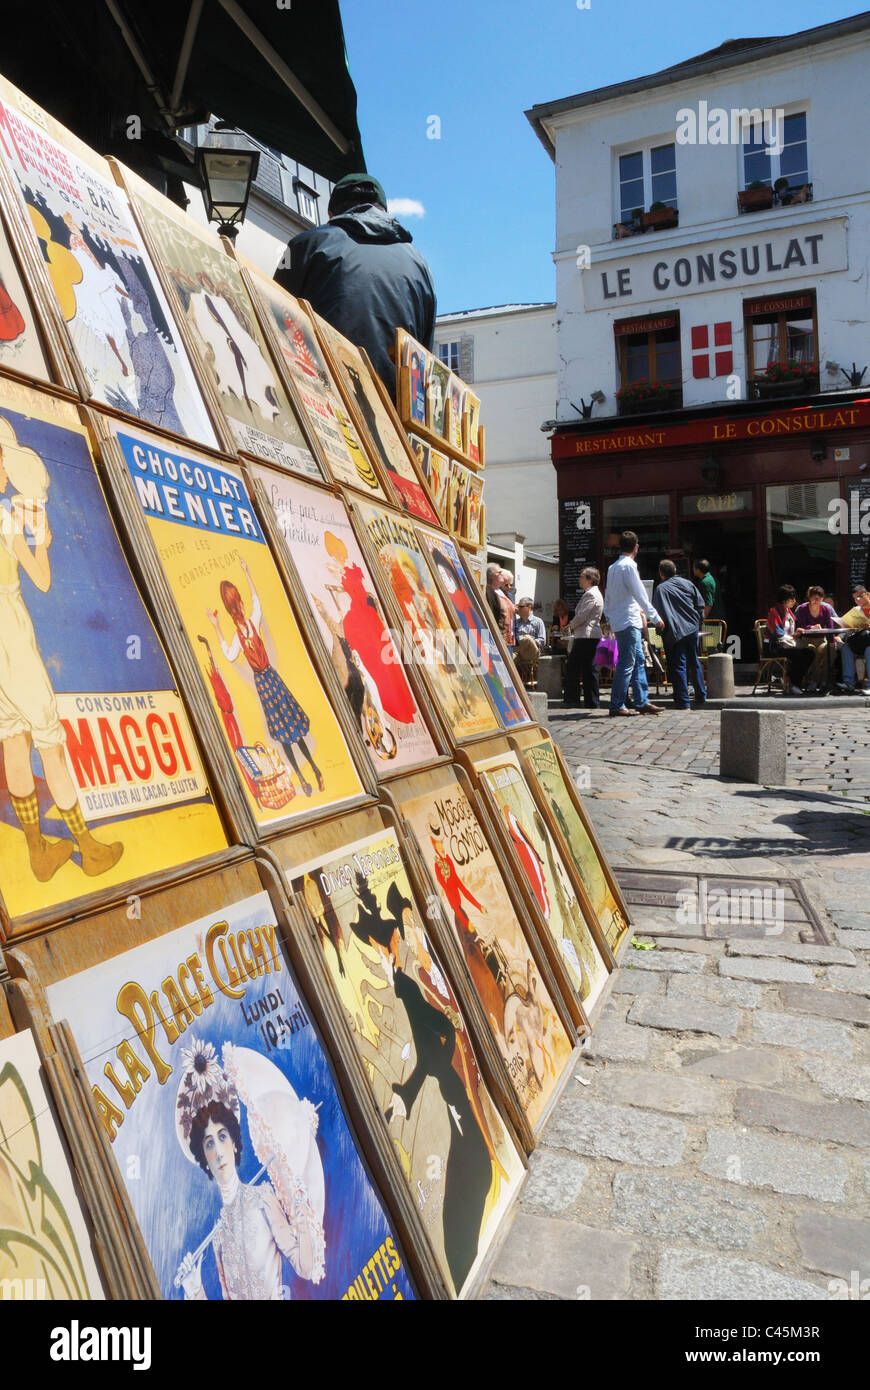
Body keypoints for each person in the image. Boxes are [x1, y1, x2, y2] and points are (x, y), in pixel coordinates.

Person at [0, 418, 123, 881]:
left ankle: (38, 853)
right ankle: (87, 846)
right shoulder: (6, 517)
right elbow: (44, 581)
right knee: (49, 742)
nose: (7, 474)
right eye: (2, 464)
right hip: (10, 631)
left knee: (13, 739)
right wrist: (44, 545)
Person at [274, 174, 436, 400]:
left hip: (326, 397)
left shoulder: (304, 244)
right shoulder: (420, 266)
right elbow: (424, 354)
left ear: (331, 214)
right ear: (384, 212)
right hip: (396, 414)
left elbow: (273, 316)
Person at [208, 558, 324, 795]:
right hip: (269, 678)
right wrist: (247, 572)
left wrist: (217, 627)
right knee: (291, 727)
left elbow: (230, 655)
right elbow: (257, 602)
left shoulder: (240, 635)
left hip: (265, 682)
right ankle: (312, 771)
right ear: (238, 603)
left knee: (284, 732)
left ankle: (305, 776)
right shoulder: (250, 624)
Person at [605, 532, 665, 717]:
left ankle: (641, 700)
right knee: (627, 662)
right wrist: (655, 617)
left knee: (637, 659)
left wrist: (609, 618)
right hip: (629, 620)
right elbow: (641, 595)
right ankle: (617, 704)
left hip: (619, 620)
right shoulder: (629, 566)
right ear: (636, 547)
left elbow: (609, 596)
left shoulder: (612, 567)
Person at [654, 560, 707, 710]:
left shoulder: (661, 589)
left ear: (661, 573)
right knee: (694, 661)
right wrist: (698, 621)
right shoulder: (687, 583)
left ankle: (683, 701)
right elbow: (700, 604)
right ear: (675, 570)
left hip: (675, 632)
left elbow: (658, 614)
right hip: (691, 629)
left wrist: (661, 631)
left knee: (678, 666)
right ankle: (701, 694)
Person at [564, 568, 603, 709]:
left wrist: (570, 625)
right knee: (588, 669)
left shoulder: (590, 595)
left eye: (582, 577)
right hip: (591, 635)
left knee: (573, 667)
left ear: (590, 579)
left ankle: (573, 699)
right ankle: (591, 701)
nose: (579, 579)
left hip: (586, 635)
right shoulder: (592, 593)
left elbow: (582, 616)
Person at [793, 585, 843, 693]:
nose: (816, 600)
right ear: (809, 597)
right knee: (813, 652)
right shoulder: (802, 609)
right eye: (814, 598)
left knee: (831, 651)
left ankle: (824, 680)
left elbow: (830, 627)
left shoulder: (826, 609)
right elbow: (799, 625)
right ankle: (815, 680)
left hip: (821, 639)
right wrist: (811, 627)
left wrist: (831, 642)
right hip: (806, 639)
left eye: (819, 598)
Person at [765, 584, 814, 691]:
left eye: (794, 598)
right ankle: (793, 684)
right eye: (791, 598)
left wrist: (799, 632)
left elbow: (792, 631)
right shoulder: (774, 611)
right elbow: (777, 633)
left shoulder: (790, 612)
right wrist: (793, 636)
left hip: (787, 644)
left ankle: (792, 680)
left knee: (810, 653)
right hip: (774, 646)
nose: (794, 600)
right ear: (783, 599)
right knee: (799, 655)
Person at [836, 584, 870, 693]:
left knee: (869, 650)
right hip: (861, 640)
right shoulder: (856, 611)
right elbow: (848, 629)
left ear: (868, 594)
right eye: (855, 599)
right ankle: (848, 683)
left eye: (859, 597)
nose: (857, 600)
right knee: (846, 647)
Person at [513, 598, 546, 688]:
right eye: (517, 606)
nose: (518, 608)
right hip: (519, 652)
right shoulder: (516, 622)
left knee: (527, 638)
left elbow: (542, 640)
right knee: (508, 658)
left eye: (520, 606)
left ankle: (523, 641)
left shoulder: (538, 621)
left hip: (532, 652)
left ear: (529, 607)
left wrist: (527, 640)